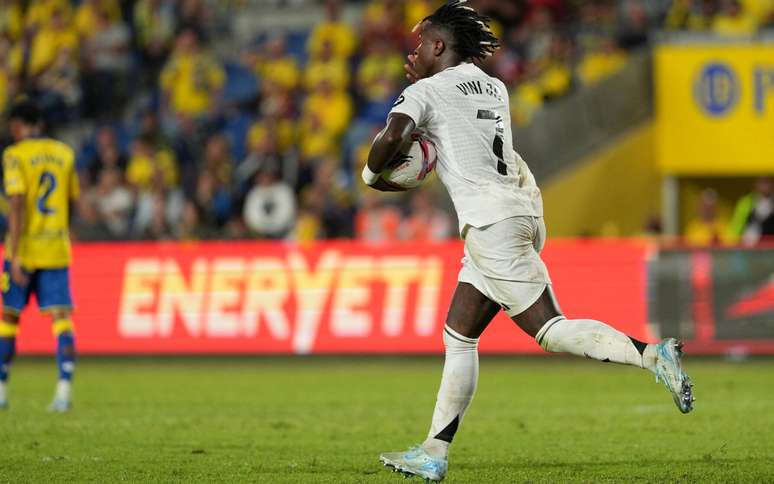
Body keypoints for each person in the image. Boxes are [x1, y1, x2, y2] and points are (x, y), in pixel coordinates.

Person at [361, 2, 694, 481]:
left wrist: (374, 175)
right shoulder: (493, 86)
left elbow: (393, 137)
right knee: (459, 334)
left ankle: (650, 354)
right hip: (518, 211)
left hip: (491, 225)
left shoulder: (428, 91)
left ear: (438, 46)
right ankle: (434, 452)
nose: (415, 52)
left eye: (422, 43)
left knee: (550, 330)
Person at [0, 101, 80, 412]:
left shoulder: (14, 155)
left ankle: (3, 391)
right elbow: (71, 200)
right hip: (56, 248)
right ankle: (63, 392)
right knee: (62, 320)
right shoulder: (65, 153)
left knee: (8, 318)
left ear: (19, 125)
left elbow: (17, 202)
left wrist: (15, 254)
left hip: (26, 249)